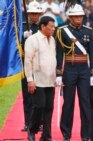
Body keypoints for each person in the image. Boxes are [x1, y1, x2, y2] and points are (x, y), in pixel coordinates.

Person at [55, 4, 93, 141]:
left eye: (80, 16)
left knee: (85, 103)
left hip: (84, 70)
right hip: (69, 69)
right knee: (68, 103)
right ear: (70, 17)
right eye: (76, 16)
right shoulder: (62, 31)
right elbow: (59, 54)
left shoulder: (88, 31)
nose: (79, 18)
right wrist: (59, 74)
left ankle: (86, 135)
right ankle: (66, 134)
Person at [24, 16, 56, 141]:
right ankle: (32, 130)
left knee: (49, 108)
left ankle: (46, 136)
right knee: (39, 106)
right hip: (37, 80)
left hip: (50, 80)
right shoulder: (32, 39)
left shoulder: (52, 39)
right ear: (43, 26)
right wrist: (30, 79)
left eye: (54, 27)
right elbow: (27, 61)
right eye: (51, 27)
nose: (53, 29)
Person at [21, 0, 43, 132]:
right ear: (28, 14)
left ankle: (39, 122)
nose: (34, 16)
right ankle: (28, 122)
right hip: (27, 64)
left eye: (36, 13)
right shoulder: (23, 26)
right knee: (27, 95)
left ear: (40, 14)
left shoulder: (43, 26)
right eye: (32, 13)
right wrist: (23, 37)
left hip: (40, 65)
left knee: (40, 96)